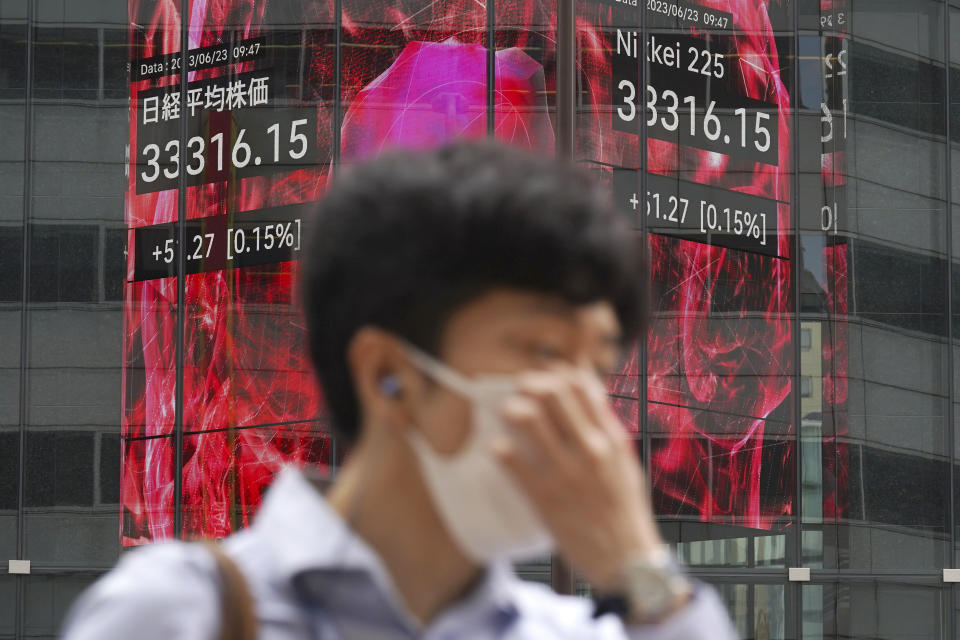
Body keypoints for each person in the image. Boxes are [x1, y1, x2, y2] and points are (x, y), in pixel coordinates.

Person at [63, 142, 738, 639]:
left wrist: (642, 574)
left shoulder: (564, 631)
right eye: (542, 353)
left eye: (595, 369)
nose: (586, 413)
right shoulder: (178, 615)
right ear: (388, 373)